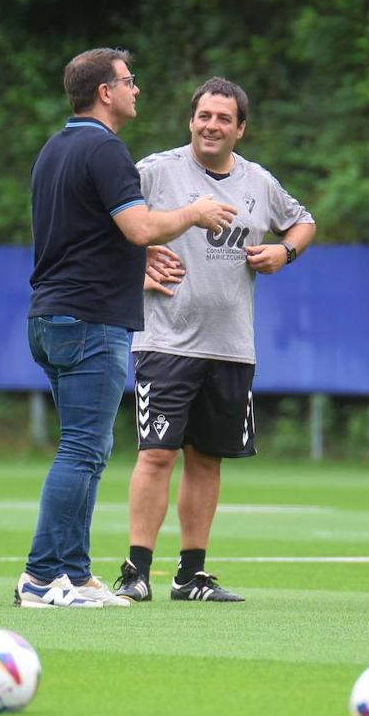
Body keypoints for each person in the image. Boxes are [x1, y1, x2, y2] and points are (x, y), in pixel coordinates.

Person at [19, 49, 238, 609]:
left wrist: (134, 266)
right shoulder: (106, 148)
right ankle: (47, 577)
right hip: (89, 321)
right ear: (104, 92)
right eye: (128, 81)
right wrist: (194, 212)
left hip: (53, 315)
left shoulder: (55, 149)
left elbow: (83, 236)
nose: (135, 90)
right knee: (82, 452)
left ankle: (67, 572)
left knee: (83, 450)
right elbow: (138, 225)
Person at [112, 77, 316, 603]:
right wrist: (134, 269)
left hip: (230, 347)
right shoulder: (157, 172)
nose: (212, 125)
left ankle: (191, 575)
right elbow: (100, 226)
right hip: (166, 342)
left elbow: (303, 222)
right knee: (157, 455)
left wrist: (284, 253)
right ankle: (136, 572)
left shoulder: (258, 182)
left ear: (240, 128)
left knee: (207, 459)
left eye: (224, 118)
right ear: (191, 121)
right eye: (204, 115)